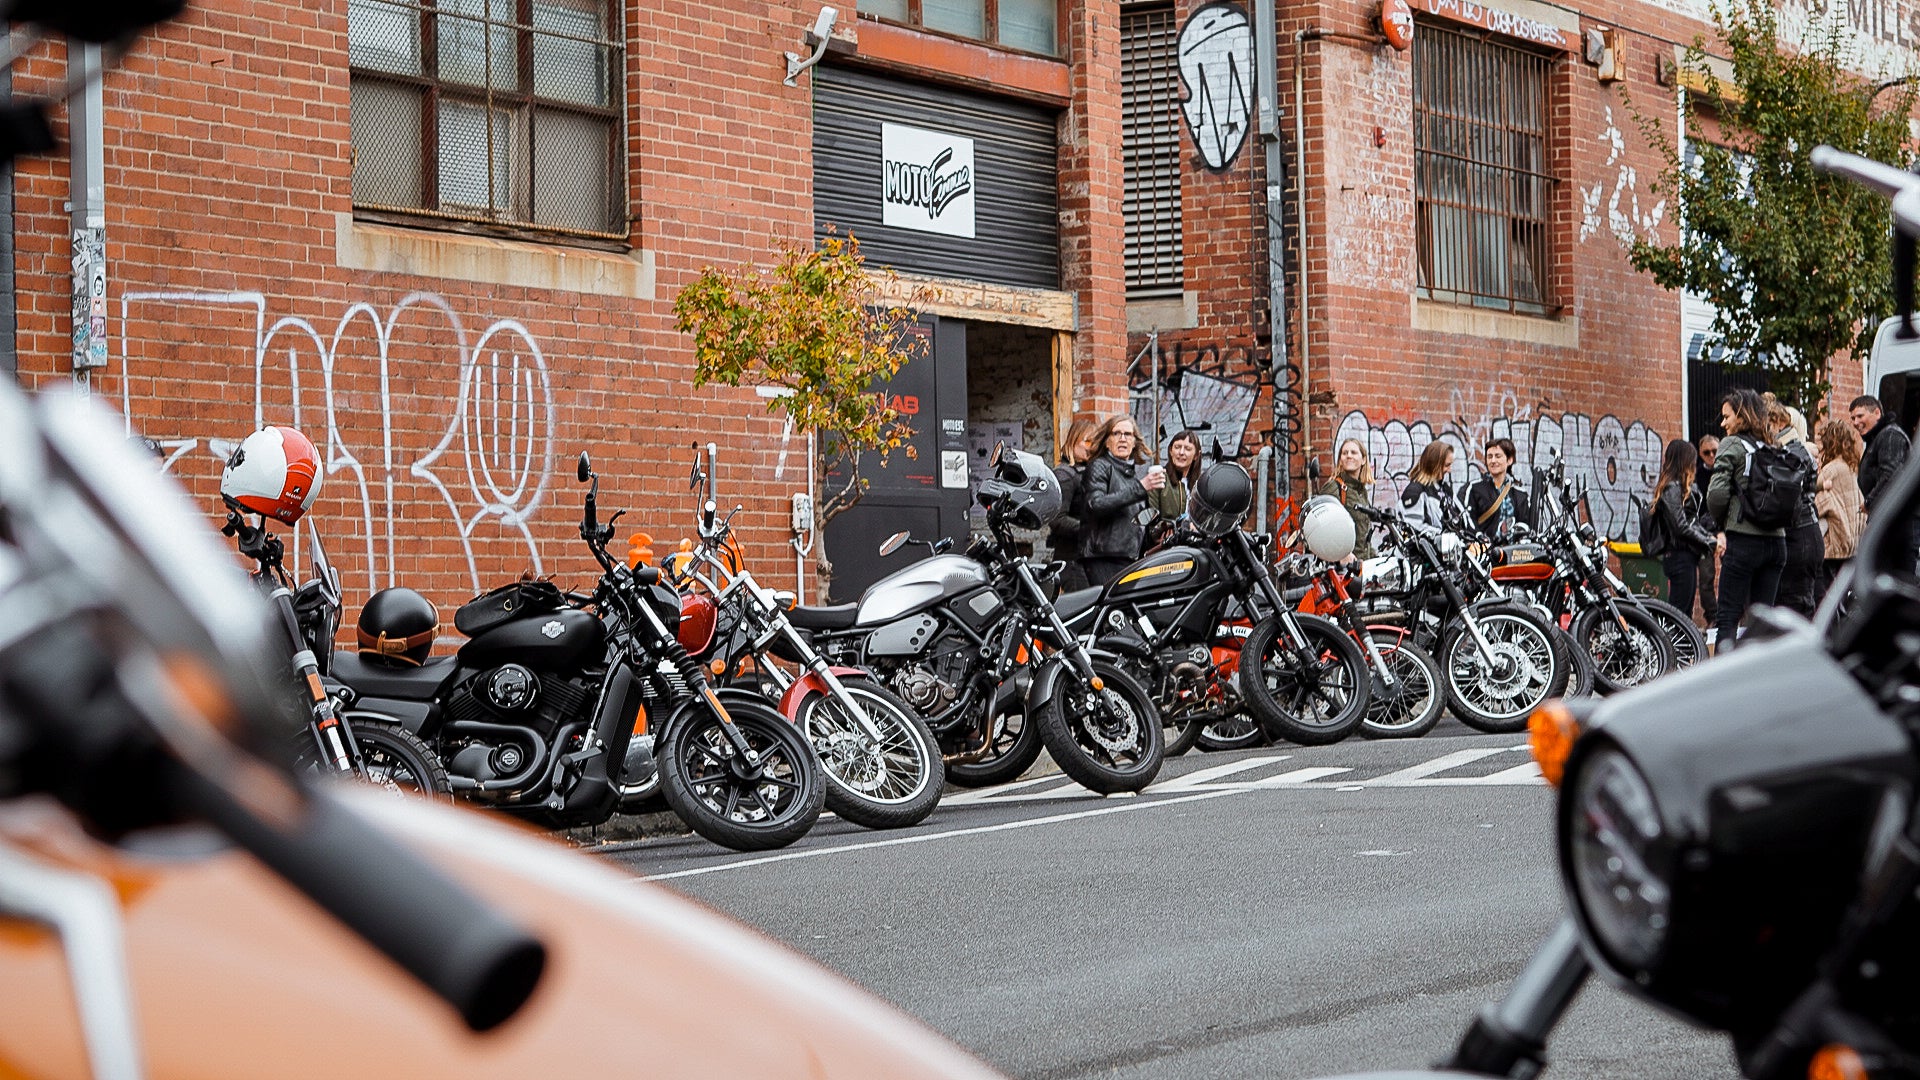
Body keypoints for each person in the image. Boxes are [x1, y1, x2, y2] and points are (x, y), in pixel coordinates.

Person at [1706, 389, 1787, 653]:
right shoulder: (1775, 446)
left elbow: (1716, 495)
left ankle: (1724, 684)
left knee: (1728, 615)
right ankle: (1760, 681)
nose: (1722, 423)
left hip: (1743, 541)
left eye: (1726, 417)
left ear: (1741, 416)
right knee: (1763, 621)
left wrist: (1723, 523)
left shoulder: (1732, 444)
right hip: (1777, 543)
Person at [1079, 414, 1165, 586]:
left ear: (1135, 442)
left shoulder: (1132, 476)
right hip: (1104, 558)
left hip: (1129, 559)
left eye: (1128, 434)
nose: (1122, 439)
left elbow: (1134, 522)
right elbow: (1095, 504)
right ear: (1106, 441)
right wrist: (1141, 488)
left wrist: (1158, 532)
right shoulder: (1099, 466)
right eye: (1116, 433)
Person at [1646, 438, 1718, 618]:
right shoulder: (1672, 488)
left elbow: (1690, 522)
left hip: (1684, 556)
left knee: (1682, 613)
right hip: (1678, 556)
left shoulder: (1679, 487)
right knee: (1678, 614)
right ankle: (1668, 645)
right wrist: (1707, 541)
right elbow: (1680, 525)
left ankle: (1676, 645)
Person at [1766, 397, 1823, 618]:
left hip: (1800, 538)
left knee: (1797, 607)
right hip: (1803, 535)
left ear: (1779, 422)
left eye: (1766, 424)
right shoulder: (1789, 450)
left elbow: (1789, 504)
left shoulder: (1792, 452)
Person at [1851, 394, 1916, 574]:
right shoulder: (1880, 437)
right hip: (1890, 523)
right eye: (1853, 418)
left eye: (1860, 416)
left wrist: (1869, 502)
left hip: (1898, 528)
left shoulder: (1889, 436)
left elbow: (1891, 475)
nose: (1855, 422)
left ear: (1877, 413)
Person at [1814, 417, 1866, 598]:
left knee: (1825, 599)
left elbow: (1819, 505)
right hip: (1851, 544)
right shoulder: (1852, 469)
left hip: (1833, 545)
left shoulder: (1831, 470)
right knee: (1841, 599)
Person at [1048, 416, 1101, 593]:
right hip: (1072, 561)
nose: (1092, 447)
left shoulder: (1088, 472)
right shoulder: (1065, 475)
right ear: (1073, 440)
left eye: (1095, 442)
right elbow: (1056, 519)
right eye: (1087, 441)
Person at [1320, 437, 1377, 562]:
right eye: (1344, 453)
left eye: (1353, 452)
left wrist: (1374, 557)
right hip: (1342, 569)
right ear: (1340, 460)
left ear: (1363, 460)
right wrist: (1342, 554)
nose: (1348, 456)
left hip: (1362, 564)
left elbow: (1362, 537)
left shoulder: (1362, 492)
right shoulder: (1334, 487)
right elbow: (1322, 528)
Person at [1465, 437, 1530, 540]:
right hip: (1486, 551)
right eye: (1489, 457)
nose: (1493, 461)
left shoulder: (1520, 494)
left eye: (1498, 456)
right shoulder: (1475, 489)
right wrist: (1479, 537)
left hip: (1514, 552)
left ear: (1509, 460)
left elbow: (1526, 526)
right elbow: (1468, 520)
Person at [1145, 429, 1202, 545]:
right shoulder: (1159, 479)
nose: (1181, 452)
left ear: (1196, 455)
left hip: (1196, 545)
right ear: (1170, 451)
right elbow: (1150, 520)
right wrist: (1169, 527)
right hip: (1166, 547)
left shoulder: (1201, 485)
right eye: (1177, 447)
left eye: (1187, 449)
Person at [1692, 434, 1721, 635]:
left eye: (1715, 451)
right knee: (1706, 578)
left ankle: (1737, 616)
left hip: (1727, 530)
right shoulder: (1696, 477)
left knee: (1734, 575)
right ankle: (1713, 617)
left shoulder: (1726, 471)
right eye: (1706, 452)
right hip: (1704, 532)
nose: (1711, 455)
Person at [1399, 442, 1455, 530]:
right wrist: (1443, 538)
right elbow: (1413, 528)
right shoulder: (1415, 491)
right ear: (1434, 464)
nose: (1449, 470)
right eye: (1446, 465)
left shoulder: (1446, 490)